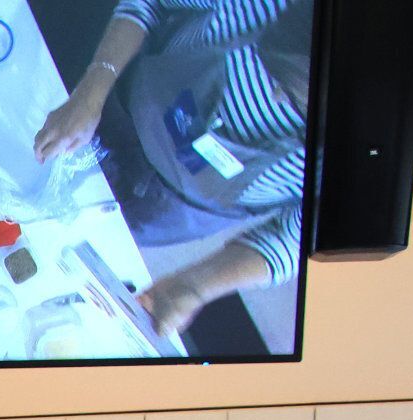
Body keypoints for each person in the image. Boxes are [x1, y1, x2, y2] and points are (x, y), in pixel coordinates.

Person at [33, 0, 312, 338]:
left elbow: (292, 239)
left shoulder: (364, 164)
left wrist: (195, 287)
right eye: (272, 69)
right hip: (115, 105)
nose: (277, 96)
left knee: (50, 251)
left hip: (168, 209)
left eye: (298, 104)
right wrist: (92, 89)